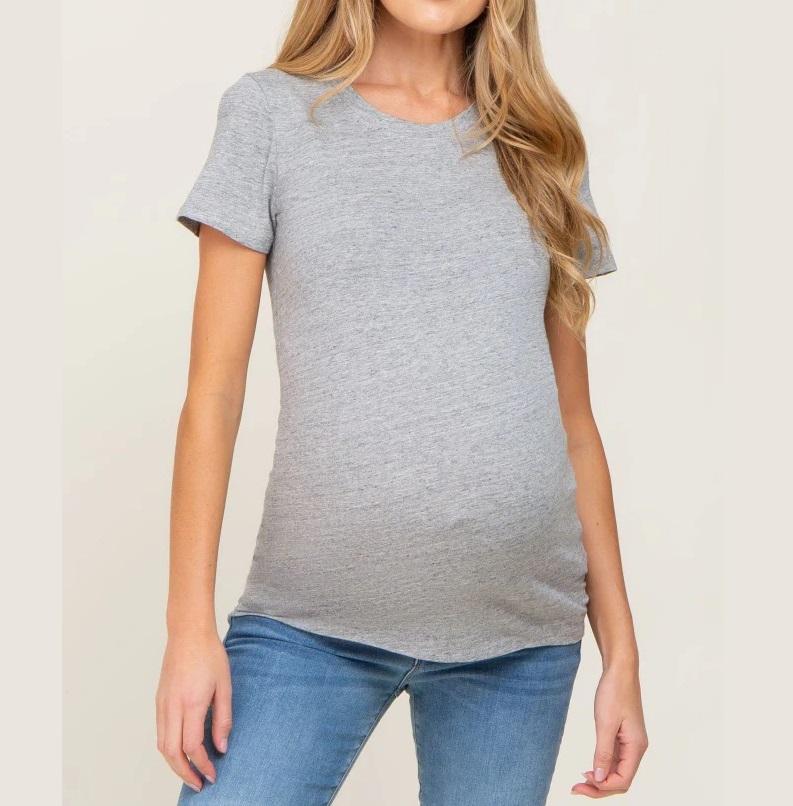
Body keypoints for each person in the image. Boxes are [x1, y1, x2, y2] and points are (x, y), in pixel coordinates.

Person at [156, 1, 648, 803]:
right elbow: (213, 397)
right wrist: (188, 630)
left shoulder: (541, 142)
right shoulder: (270, 115)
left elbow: (574, 424)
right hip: (309, 626)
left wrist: (620, 653)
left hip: (520, 640)